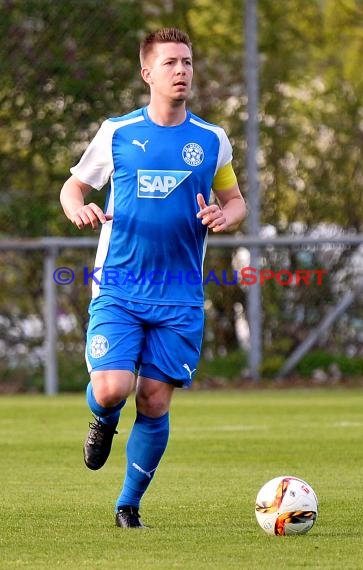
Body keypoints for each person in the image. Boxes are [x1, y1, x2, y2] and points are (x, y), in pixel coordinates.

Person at [60, 27, 246, 529]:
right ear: (147, 73)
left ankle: (128, 505)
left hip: (180, 295)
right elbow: (72, 188)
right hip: (120, 285)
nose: (181, 70)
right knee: (114, 387)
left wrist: (227, 216)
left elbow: (234, 199)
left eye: (187, 62)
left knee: (155, 398)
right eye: (170, 63)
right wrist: (79, 208)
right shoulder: (117, 132)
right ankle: (101, 418)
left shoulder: (211, 140)